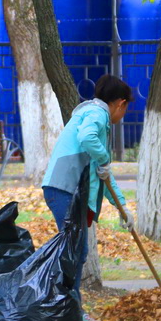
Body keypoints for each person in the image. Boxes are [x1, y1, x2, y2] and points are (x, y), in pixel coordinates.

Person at [42, 74, 132, 296]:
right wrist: (103, 158)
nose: (124, 113)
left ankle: (67, 306)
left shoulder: (92, 113)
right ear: (121, 103)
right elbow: (87, 137)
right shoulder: (97, 114)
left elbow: (103, 174)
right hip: (63, 188)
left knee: (75, 250)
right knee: (74, 250)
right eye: (126, 108)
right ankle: (67, 307)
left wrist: (122, 207)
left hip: (66, 190)